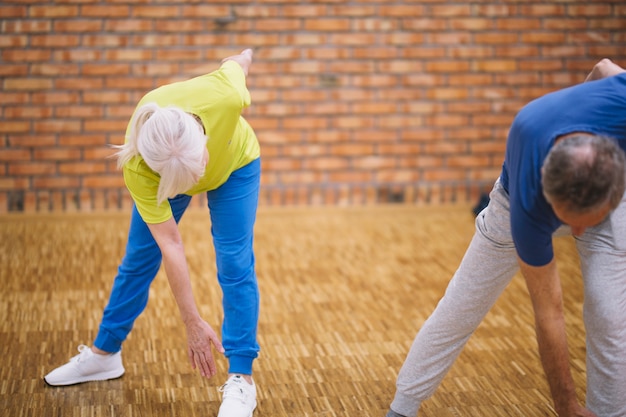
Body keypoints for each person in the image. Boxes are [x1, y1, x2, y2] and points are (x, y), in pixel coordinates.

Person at [386, 58, 626, 417]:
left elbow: (606, 66)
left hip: (605, 196)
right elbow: (550, 312)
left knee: (610, 315)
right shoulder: (529, 206)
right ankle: (401, 407)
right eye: (570, 222)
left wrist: (583, 99)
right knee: (463, 303)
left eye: (584, 223)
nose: (577, 234)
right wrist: (566, 405)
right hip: (513, 199)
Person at [45, 49, 261, 417]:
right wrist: (191, 321)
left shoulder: (223, 94)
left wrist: (240, 58)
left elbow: (240, 61)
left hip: (235, 163)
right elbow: (171, 245)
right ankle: (105, 354)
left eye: (195, 170)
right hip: (168, 177)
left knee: (234, 261)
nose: (195, 183)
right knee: (138, 260)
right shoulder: (139, 165)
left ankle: (242, 377)